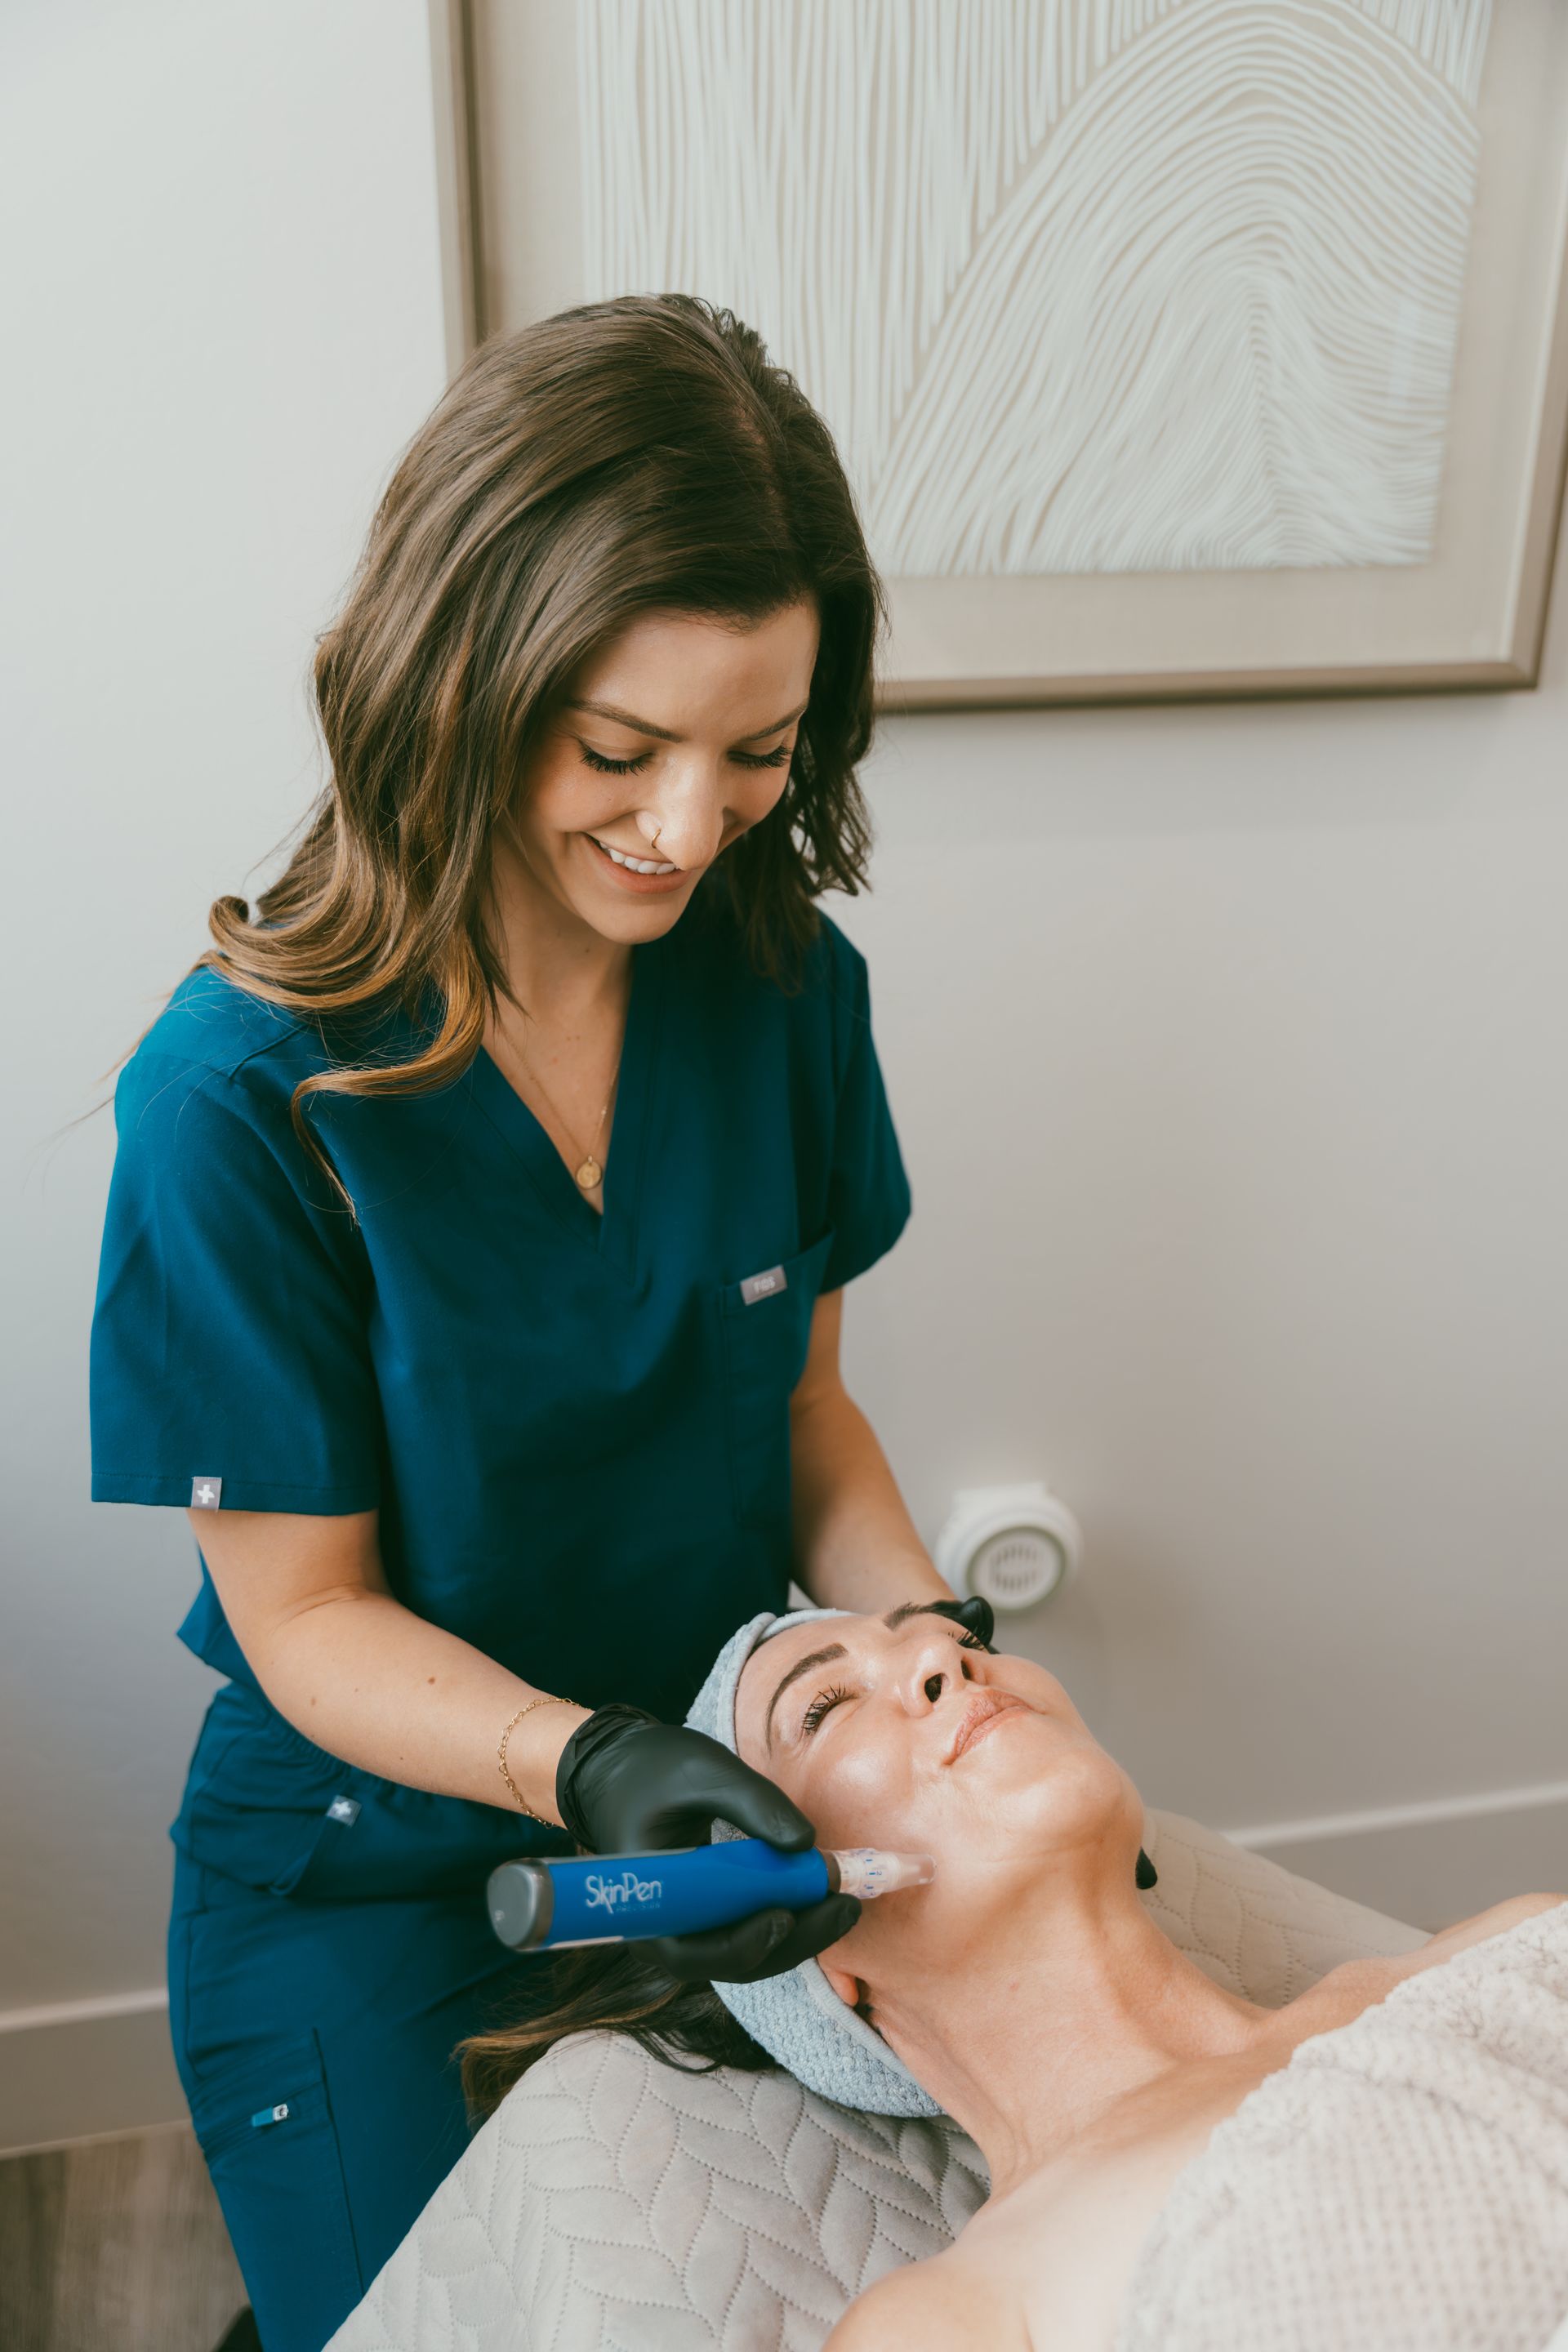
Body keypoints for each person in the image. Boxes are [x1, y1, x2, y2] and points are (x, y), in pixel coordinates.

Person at [87, 292, 960, 2352]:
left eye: (758, 754)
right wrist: (588, 1765)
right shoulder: (238, 1102)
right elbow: (305, 1624)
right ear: (458, 679)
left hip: (736, 1819)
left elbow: (809, 1418)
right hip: (376, 1864)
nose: (687, 828)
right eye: (617, 750)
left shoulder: (778, 986)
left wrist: (924, 1659)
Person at [462, 1600, 1564, 2351]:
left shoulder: (1500, 1949)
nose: (949, 1659)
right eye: (826, 1705)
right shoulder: (961, 2318)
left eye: (943, 1639)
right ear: (807, 1943)